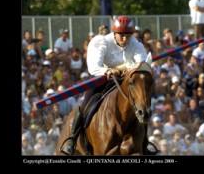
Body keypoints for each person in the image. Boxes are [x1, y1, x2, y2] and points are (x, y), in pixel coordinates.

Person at [59, 16, 158, 155]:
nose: (125, 39)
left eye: (128, 35)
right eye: (121, 35)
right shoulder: (101, 42)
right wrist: (108, 71)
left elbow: (141, 65)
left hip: (125, 80)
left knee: (141, 104)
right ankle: (72, 139)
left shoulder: (136, 44)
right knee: (85, 103)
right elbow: (94, 67)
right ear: (114, 33)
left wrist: (130, 69)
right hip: (102, 78)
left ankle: (145, 143)